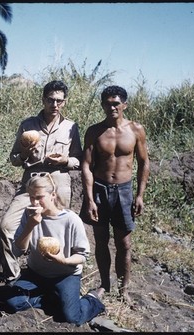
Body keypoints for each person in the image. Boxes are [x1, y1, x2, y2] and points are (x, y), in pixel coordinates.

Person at [0, 80, 82, 283]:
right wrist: (25, 151)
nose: (55, 105)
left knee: (60, 230)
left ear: (64, 102)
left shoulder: (71, 127)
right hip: (32, 180)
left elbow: (78, 160)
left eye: (59, 101)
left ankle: (62, 275)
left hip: (59, 180)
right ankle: (13, 277)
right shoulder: (28, 125)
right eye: (51, 100)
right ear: (43, 99)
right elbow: (14, 159)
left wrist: (65, 160)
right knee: (6, 227)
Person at [80, 85, 150, 303]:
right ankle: (104, 284)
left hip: (124, 191)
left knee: (124, 243)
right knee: (101, 241)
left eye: (116, 103)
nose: (112, 107)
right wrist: (90, 199)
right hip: (100, 189)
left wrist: (140, 195)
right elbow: (86, 166)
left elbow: (144, 162)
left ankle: (124, 289)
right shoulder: (94, 131)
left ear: (124, 105)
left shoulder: (136, 130)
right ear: (102, 105)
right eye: (108, 104)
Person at [6, 174, 105, 325]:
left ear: (53, 195)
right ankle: (52, 298)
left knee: (72, 317)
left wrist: (63, 260)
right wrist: (30, 225)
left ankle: (92, 299)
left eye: (39, 197)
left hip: (65, 275)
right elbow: (18, 250)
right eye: (31, 197)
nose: (35, 202)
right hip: (36, 274)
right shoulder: (29, 214)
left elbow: (82, 255)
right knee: (13, 302)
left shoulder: (70, 220)